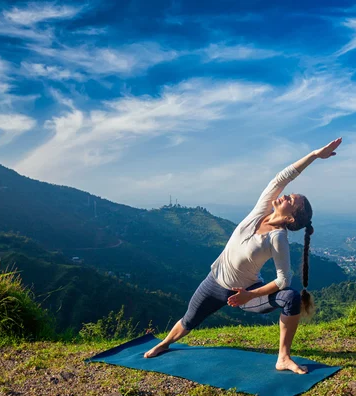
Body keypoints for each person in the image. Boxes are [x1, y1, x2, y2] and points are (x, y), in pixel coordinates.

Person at [144, 137, 342, 374]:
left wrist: (249, 295)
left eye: (291, 200)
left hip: (246, 292)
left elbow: (283, 280)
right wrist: (313, 155)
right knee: (189, 320)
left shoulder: (278, 238)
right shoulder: (262, 210)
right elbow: (281, 177)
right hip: (214, 282)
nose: (286, 195)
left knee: (290, 296)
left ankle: (283, 357)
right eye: (290, 194)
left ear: (291, 218)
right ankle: (165, 344)